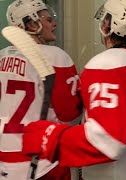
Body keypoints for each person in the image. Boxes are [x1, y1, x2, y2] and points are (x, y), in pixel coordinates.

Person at [22, 0, 126, 179]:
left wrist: (48, 138)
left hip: (125, 173)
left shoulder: (107, 63)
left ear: (108, 24)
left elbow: (107, 140)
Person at [0, 0, 82, 179]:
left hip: (5, 158)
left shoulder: (2, 56)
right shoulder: (55, 56)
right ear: (31, 24)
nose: (54, 23)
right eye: (47, 19)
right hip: (42, 162)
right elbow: (70, 116)